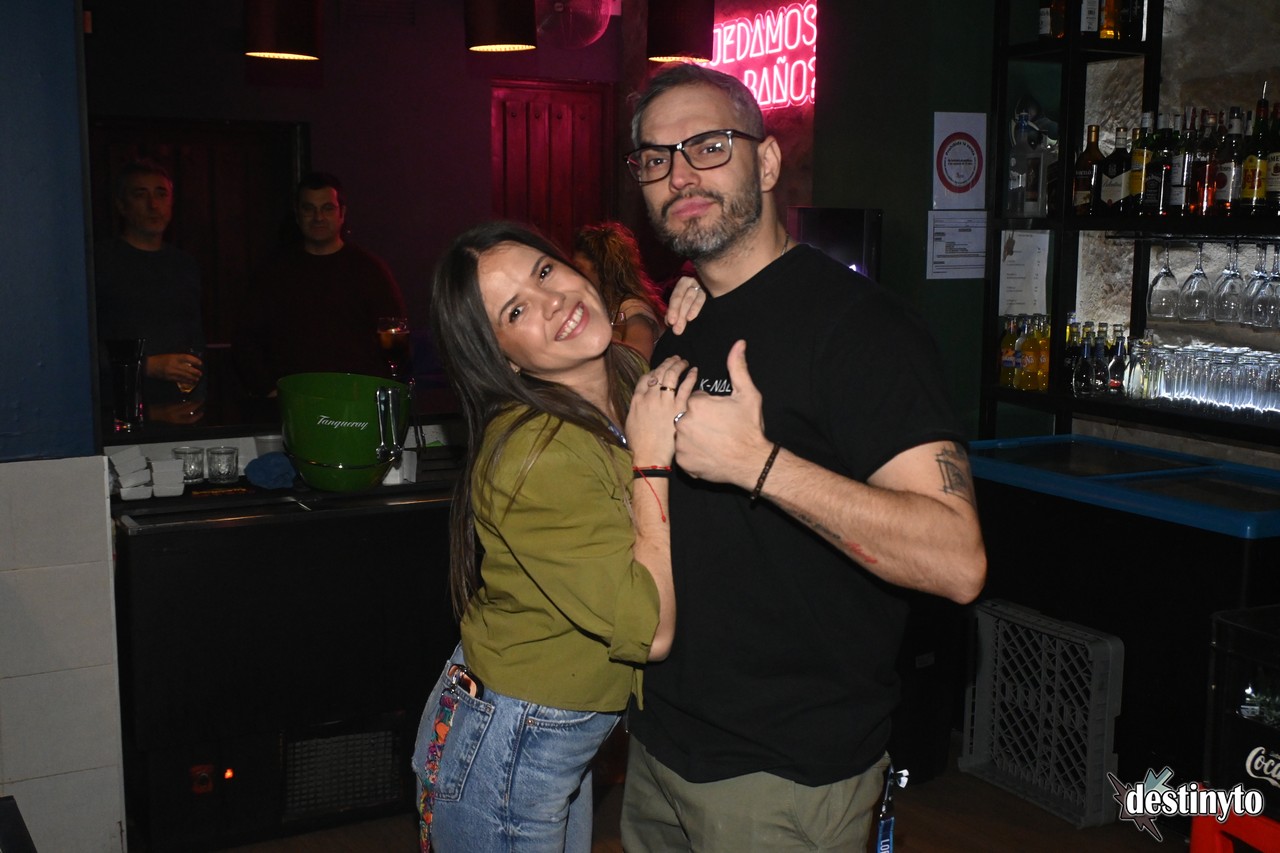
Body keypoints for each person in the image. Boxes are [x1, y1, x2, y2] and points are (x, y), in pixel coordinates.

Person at [619, 63, 988, 851]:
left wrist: (760, 464)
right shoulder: (685, 319)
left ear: (767, 161)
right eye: (655, 158)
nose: (679, 174)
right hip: (658, 746)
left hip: (782, 775)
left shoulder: (863, 327)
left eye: (708, 146)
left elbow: (956, 560)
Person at [411, 221, 696, 852]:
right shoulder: (534, 455)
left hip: (549, 740)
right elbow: (652, 632)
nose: (553, 301)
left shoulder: (623, 370)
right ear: (502, 357)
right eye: (515, 311)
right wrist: (651, 462)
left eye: (544, 272)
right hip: (508, 744)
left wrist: (704, 305)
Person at [234, 172, 406, 396]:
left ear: (342, 213)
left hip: (356, 400)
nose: (318, 217)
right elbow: (245, 340)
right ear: (297, 214)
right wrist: (268, 389)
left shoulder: (370, 271)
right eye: (309, 209)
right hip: (294, 402)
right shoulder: (273, 273)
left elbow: (397, 339)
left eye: (327, 208)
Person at [95, 159, 205, 411]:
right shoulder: (99, 262)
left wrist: (198, 398)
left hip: (181, 404)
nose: (153, 205)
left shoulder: (184, 264)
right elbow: (82, 347)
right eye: (140, 194)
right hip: (120, 407)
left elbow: (195, 337)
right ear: (121, 205)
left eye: (161, 194)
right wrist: (147, 364)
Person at [572, 221, 668, 361]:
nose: (575, 275)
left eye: (579, 268)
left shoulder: (632, 309)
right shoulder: (612, 309)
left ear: (602, 269)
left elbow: (637, 365)